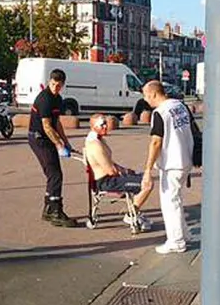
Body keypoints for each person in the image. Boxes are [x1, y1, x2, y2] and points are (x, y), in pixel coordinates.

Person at [140, 81, 194, 254]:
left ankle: (176, 241)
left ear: (153, 94)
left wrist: (148, 169)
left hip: (172, 162)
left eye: (146, 95)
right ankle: (184, 234)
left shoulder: (160, 113)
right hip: (185, 157)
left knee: (170, 203)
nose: (145, 99)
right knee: (176, 199)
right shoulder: (180, 105)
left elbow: (156, 142)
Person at [83, 114, 153, 231]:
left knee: (143, 177)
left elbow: (111, 164)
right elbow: (110, 171)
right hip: (106, 182)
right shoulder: (95, 145)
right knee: (147, 184)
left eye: (106, 123)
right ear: (93, 127)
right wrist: (124, 173)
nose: (105, 126)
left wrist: (126, 171)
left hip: (110, 178)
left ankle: (134, 211)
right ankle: (131, 215)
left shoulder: (99, 140)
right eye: (102, 124)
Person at [28, 69, 77, 227]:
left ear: (63, 85)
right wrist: (59, 145)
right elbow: (47, 126)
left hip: (47, 138)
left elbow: (56, 123)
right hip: (39, 139)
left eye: (59, 85)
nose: (55, 87)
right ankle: (56, 212)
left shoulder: (58, 99)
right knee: (55, 175)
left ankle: (48, 209)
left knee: (52, 174)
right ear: (49, 81)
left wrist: (66, 142)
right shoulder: (45, 99)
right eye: (53, 84)